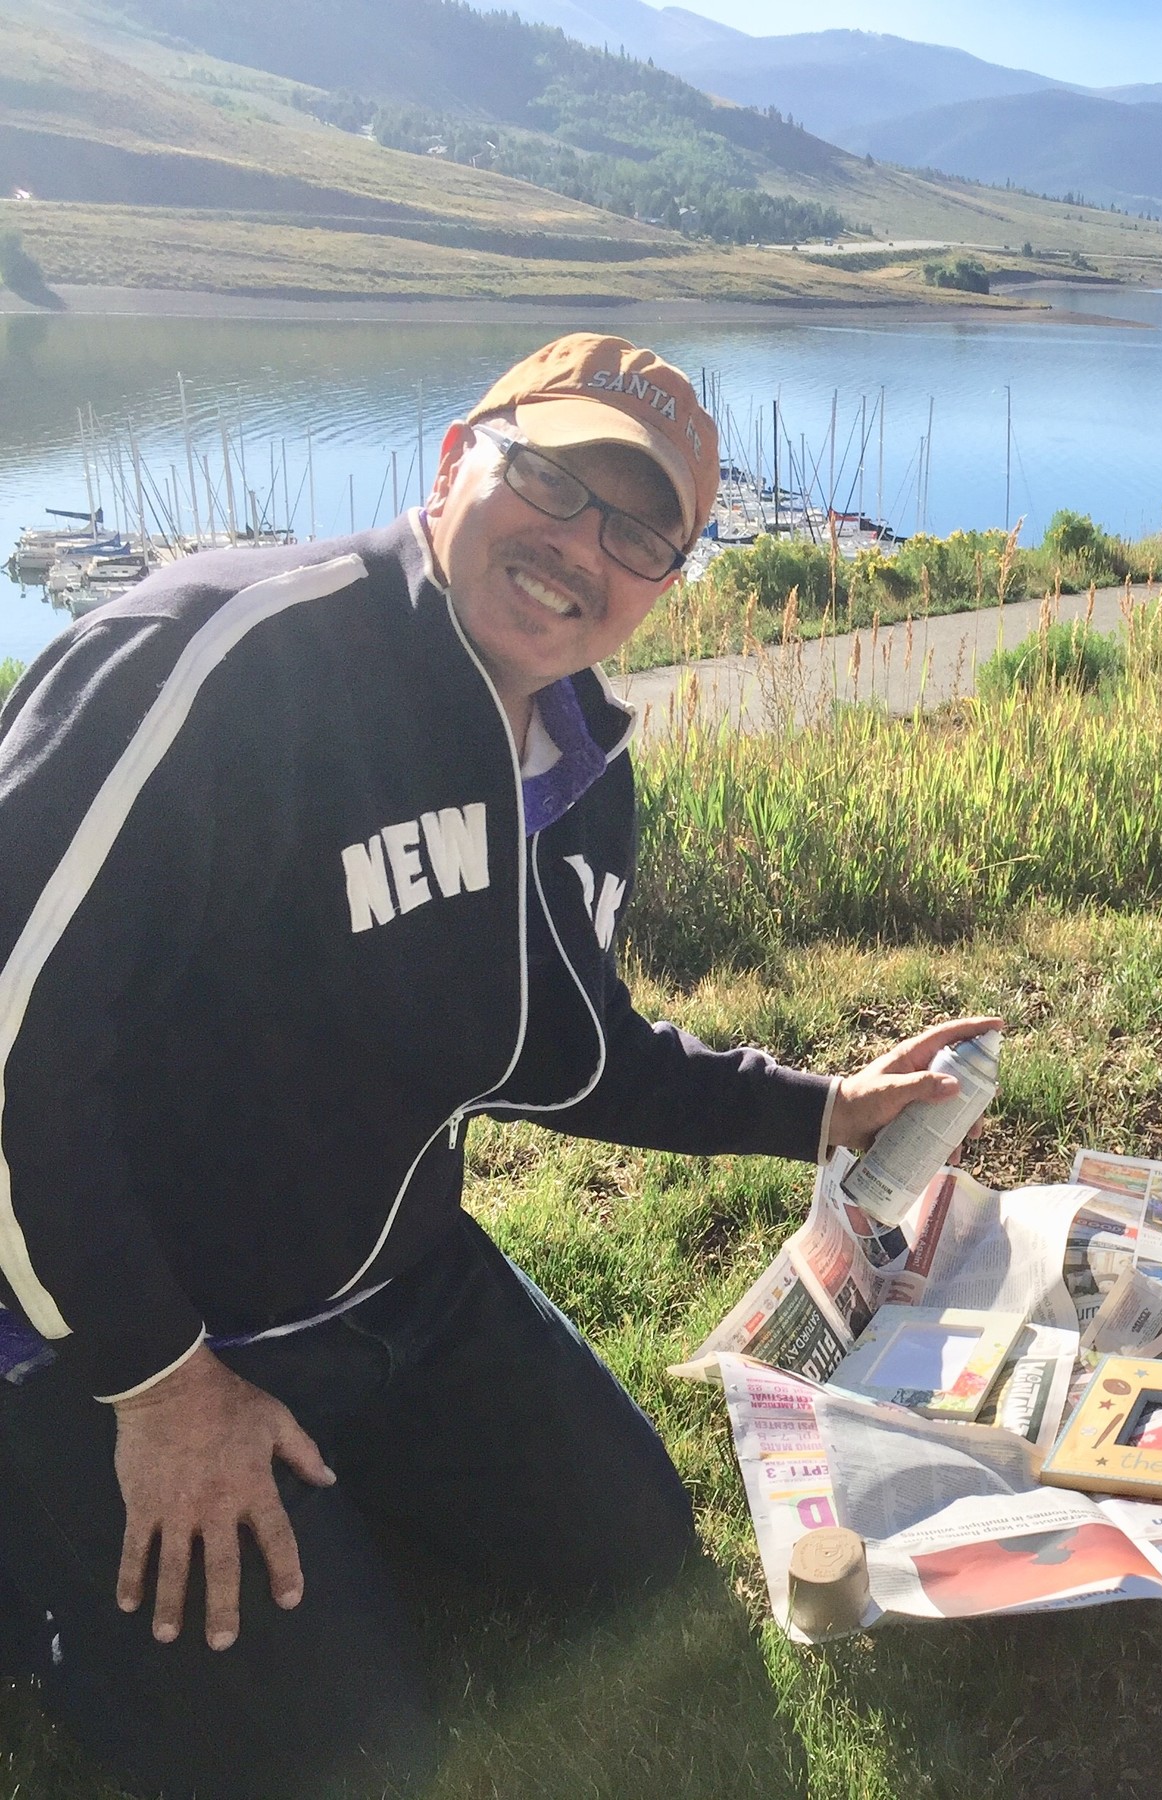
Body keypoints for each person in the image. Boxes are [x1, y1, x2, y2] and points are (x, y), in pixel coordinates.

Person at [0, 334, 998, 1799]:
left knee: (631, 1550)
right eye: (550, 479)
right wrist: (157, 1386)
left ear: (666, 582)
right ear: (456, 457)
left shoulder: (579, 766)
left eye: (639, 528)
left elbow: (566, 1047)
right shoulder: (225, 656)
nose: (579, 547)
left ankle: (324, 1505)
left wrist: (823, 1111)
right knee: (343, 1757)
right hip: (123, 1328)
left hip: (399, 1287)